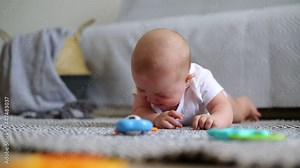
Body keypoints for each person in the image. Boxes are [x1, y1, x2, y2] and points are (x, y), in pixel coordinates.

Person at [131, 28, 261, 130]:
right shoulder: (148, 83)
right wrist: (155, 118)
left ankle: (245, 104)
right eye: (141, 90)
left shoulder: (200, 79)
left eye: (161, 95)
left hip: (217, 105)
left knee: (236, 113)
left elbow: (222, 107)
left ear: (187, 80)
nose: (150, 99)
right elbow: (138, 111)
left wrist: (216, 119)